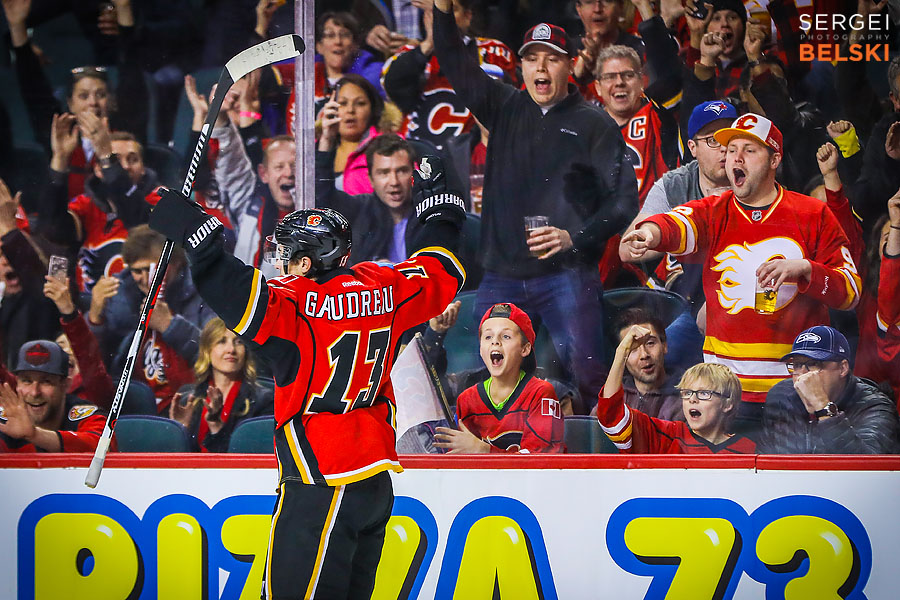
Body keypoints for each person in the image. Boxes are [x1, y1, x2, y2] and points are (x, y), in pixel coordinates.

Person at [147, 153, 466, 598]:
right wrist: (439, 207)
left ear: (303, 265)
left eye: (284, 255)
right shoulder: (384, 285)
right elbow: (442, 268)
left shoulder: (297, 304)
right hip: (374, 481)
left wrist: (197, 236)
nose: (277, 263)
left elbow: (234, 291)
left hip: (322, 480)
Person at [433, 4, 640, 412]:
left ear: (570, 65)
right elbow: (454, 60)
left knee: (587, 373)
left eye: (551, 58)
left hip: (567, 274)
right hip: (503, 274)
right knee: (488, 373)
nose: (540, 67)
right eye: (531, 58)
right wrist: (442, 10)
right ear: (521, 67)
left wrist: (574, 237)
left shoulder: (594, 123)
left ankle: (600, 455)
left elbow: (624, 201)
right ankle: (496, 449)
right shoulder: (503, 106)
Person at [621, 113, 861, 434]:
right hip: (726, 396)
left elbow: (851, 292)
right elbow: (679, 223)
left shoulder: (812, 213)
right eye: (731, 149)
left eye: (749, 150)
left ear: (774, 159)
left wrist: (806, 270)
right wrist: (650, 232)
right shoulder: (714, 209)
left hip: (795, 393)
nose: (735, 157)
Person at [620, 100, 737, 368]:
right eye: (712, 140)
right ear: (693, 148)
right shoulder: (675, 185)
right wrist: (649, 237)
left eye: (730, 138)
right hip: (688, 298)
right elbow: (626, 250)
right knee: (661, 359)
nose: (723, 149)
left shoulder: (752, 178)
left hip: (742, 299)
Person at [89, 226, 215, 412]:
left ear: (177, 263)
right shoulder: (120, 292)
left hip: (188, 402)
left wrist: (171, 326)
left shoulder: (205, 293)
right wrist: (94, 319)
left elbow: (218, 355)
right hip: (134, 400)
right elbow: (98, 364)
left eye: (153, 269)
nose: (146, 279)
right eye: (137, 271)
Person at [39, 112, 160, 294]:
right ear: (97, 169)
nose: (125, 166)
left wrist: (106, 155)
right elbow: (52, 229)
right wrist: (60, 160)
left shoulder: (159, 199)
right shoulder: (86, 206)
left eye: (133, 159)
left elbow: (135, 217)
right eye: (116, 159)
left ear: (143, 168)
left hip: (140, 307)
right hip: (87, 307)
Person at [381, 0, 516, 150]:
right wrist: (427, 46)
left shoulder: (492, 51)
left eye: (451, 10)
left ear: (467, 17)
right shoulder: (406, 54)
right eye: (434, 12)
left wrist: (446, 42)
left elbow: (500, 101)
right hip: (419, 159)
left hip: (472, 157)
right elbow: (392, 86)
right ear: (426, 17)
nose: (442, 17)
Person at [434, 303, 565, 453]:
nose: (495, 342)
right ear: (481, 349)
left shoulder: (540, 393)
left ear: (525, 349)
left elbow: (540, 462)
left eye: (506, 336)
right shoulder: (466, 400)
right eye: (488, 337)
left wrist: (484, 450)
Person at [759, 326, 900, 454]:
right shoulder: (781, 396)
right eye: (796, 365)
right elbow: (765, 465)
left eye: (814, 364)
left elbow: (868, 470)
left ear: (843, 368)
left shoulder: (875, 406)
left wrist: (823, 407)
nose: (802, 375)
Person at [598, 341, 755, 453]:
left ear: (727, 404)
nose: (692, 399)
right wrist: (622, 352)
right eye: (687, 393)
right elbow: (612, 417)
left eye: (703, 393)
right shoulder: (667, 436)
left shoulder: (748, 449)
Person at [170, 318, 274, 453]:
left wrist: (216, 426)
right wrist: (181, 430)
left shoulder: (264, 401)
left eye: (239, 342)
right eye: (221, 341)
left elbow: (251, 458)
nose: (231, 349)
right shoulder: (187, 399)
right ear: (207, 350)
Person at [316, 132, 420, 264]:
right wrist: (326, 141)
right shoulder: (360, 208)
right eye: (384, 173)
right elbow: (323, 196)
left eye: (402, 171)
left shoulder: (428, 214)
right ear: (371, 179)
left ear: (414, 173)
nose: (394, 182)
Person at [0, 340, 112, 453]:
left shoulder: (86, 416)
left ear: (66, 385)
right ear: (17, 383)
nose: (34, 392)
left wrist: (35, 435)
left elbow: (102, 447)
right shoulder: (4, 419)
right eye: (27, 381)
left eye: (46, 382)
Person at [599, 307, 684, 422]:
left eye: (650, 343)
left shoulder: (685, 397)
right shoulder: (616, 393)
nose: (644, 355)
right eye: (632, 348)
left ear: (664, 345)